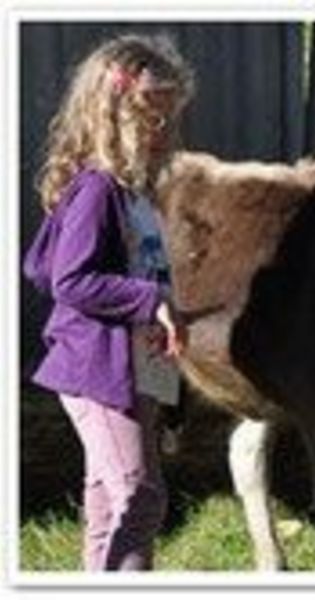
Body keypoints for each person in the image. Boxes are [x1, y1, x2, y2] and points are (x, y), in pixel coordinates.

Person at [23, 34, 194, 571]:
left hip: (137, 368)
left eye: (169, 118)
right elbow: (70, 280)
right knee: (140, 499)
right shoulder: (97, 188)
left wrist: (166, 308)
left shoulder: (131, 190)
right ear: (111, 112)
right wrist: (150, 298)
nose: (162, 132)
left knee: (107, 504)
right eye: (151, 117)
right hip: (99, 368)